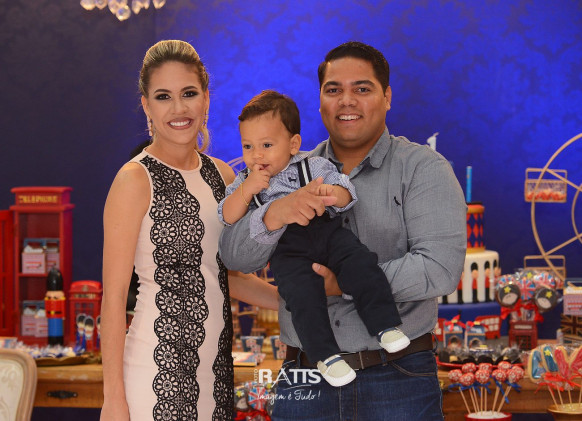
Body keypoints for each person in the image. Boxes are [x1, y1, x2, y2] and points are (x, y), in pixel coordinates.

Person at [218, 41, 466, 420]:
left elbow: (440, 269)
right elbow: (234, 257)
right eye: (333, 90)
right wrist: (274, 214)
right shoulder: (278, 171)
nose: (346, 100)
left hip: (398, 376)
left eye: (362, 88)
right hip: (305, 375)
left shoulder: (422, 168)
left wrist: (341, 284)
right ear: (320, 101)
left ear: (387, 97)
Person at [99, 40, 278, 421]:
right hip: (154, 372)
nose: (178, 109)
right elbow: (112, 301)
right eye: (163, 97)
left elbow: (224, 276)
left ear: (206, 99)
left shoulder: (223, 176)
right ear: (146, 106)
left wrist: (298, 300)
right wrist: (113, 400)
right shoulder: (134, 180)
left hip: (216, 373)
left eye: (189, 94)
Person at [218, 90, 410, 387]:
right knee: (302, 296)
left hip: (327, 234)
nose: (257, 155)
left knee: (361, 263)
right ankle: (325, 356)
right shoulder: (243, 181)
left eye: (267, 145)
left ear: (293, 144)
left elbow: (346, 192)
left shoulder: (313, 165)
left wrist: (332, 194)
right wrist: (247, 190)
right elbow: (227, 216)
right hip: (287, 249)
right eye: (248, 146)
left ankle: (385, 325)